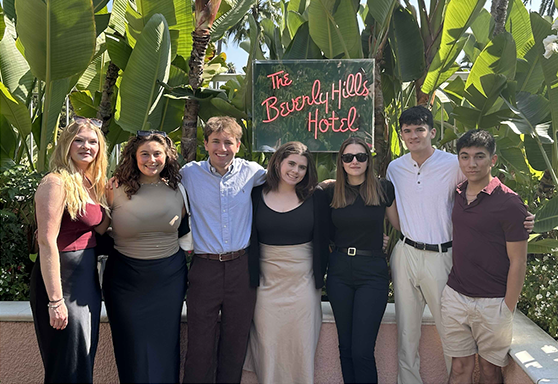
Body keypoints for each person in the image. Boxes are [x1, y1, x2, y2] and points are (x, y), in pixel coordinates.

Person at [386, 106, 534, 384]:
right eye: (407, 131)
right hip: (405, 252)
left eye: (420, 129)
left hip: (442, 255)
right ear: (402, 135)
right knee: (406, 330)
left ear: (432, 132)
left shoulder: (455, 164)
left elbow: (487, 191)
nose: (414, 135)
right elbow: (393, 208)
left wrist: (524, 217)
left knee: (450, 335)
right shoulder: (395, 168)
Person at [181, 116, 267, 383]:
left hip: (241, 268)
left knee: (235, 341)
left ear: (238, 145)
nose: (222, 148)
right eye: (215, 141)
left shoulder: (253, 172)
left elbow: (290, 178)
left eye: (228, 142)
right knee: (199, 343)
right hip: (204, 268)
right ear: (205, 144)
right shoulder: (188, 173)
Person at [441, 130, 528, 384]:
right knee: (459, 368)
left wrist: (507, 308)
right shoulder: (457, 193)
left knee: (490, 372)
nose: (472, 164)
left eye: (479, 156)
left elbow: (519, 261)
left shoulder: (510, 203)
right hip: (456, 296)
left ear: (493, 160)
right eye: (465, 157)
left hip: (494, 302)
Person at [103, 131, 187, 383]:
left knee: (165, 345)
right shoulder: (113, 188)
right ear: (133, 156)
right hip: (125, 280)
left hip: (168, 278)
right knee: (132, 348)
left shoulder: (179, 189)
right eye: (145, 154)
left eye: (157, 154)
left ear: (167, 157)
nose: (152, 159)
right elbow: (98, 226)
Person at [30, 117, 109, 383]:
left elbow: (98, 228)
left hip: (86, 279)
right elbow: (46, 241)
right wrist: (55, 300)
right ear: (66, 143)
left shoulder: (89, 183)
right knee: (67, 366)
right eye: (79, 140)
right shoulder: (56, 183)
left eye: (93, 141)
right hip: (61, 280)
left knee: (82, 360)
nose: (86, 146)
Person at [243, 142, 330, 384]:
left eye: (302, 167)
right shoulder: (256, 194)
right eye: (291, 163)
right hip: (265, 284)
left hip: (302, 283)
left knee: (300, 345)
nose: (296, 171)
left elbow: (331, 232)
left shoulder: (316, 196)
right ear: (278, 162)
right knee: (268, 344)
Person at [324, 136, 400, 383]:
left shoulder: (383, 188)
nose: (354, 161)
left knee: (362, 351)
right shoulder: (329, 192)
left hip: (372, 272)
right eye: (348, 157)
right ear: (341, 162)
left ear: (368, 160)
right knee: (345, 348)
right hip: (339, 272)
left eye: (360, 156)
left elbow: (402, 223)